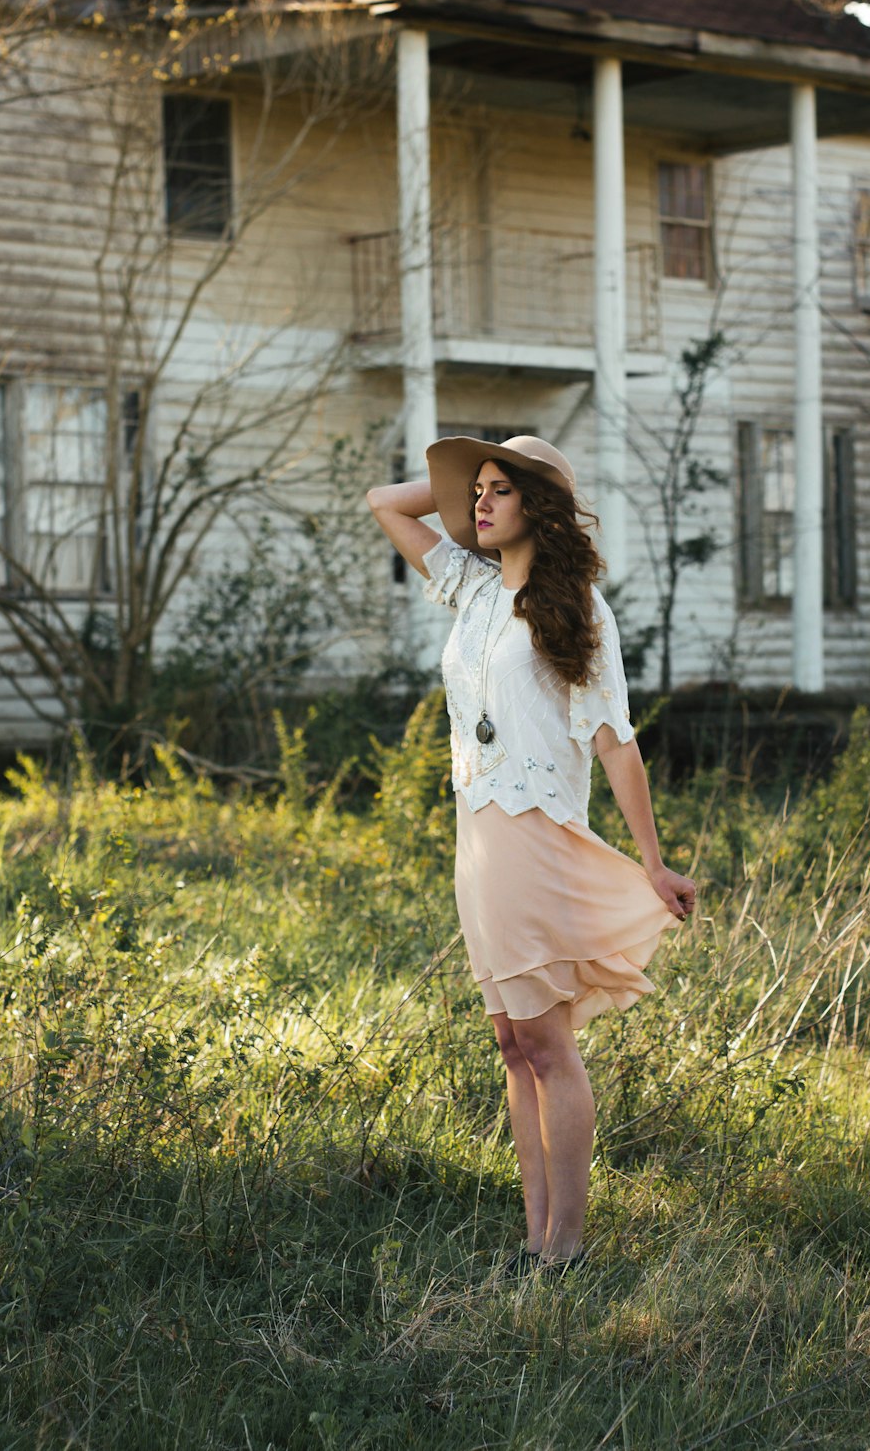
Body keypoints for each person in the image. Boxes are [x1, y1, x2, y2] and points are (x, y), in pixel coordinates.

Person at [366, 434, 696, 1275]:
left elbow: (615, 740)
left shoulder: (575, 605)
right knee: (514, 1044)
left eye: (498, 490)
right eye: (473, 489)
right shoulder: (471, 589)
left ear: (538, 506)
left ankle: (569, 1250)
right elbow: (383, 503)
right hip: (477, 835)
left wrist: (653, 861)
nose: (477, 503)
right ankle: (535, 1238)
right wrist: (460, 485)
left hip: (535, 831)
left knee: (548, 1046)